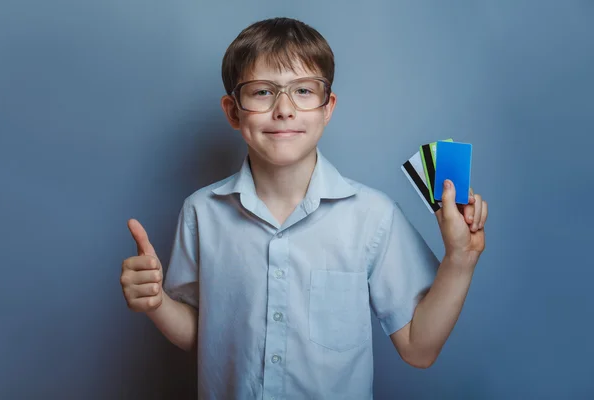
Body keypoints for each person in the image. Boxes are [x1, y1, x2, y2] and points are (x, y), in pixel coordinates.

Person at [120, 17, 488, 399]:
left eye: (303, 91)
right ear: (233, 111)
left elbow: (419, 348)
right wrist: (157, 303)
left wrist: (461, 258)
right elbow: (204, 334)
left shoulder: (373, 216)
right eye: (262, 92)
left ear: (327, 108)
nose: (284, 109)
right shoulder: (201, 212)